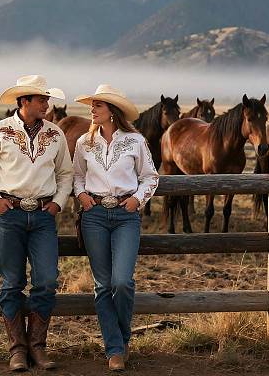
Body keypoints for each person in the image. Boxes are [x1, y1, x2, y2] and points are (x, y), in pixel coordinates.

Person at [0, 75, 73, 371]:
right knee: (12, 282)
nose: (47, 104)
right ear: (24, 101)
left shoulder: (55, 134)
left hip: (43, 216)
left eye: (47, 99)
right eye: (41, 99)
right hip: (9, 214)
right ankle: (17, 349)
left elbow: (65, 174)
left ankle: (37, 347)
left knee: (47, 281)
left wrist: (58, 204)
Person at [73, 84, 159, 371]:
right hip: (94, 216)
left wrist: (137, 199)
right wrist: (82, 196)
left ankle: (119, 341)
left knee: (122, 282)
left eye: (98, 105)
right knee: (102, 285)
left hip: (126, 215)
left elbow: (150, 177)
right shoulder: (84, 143)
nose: (92, 110)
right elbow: (76, 177)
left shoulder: (135, 141)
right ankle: (115, 350)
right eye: (92, 105)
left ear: (113, 111)